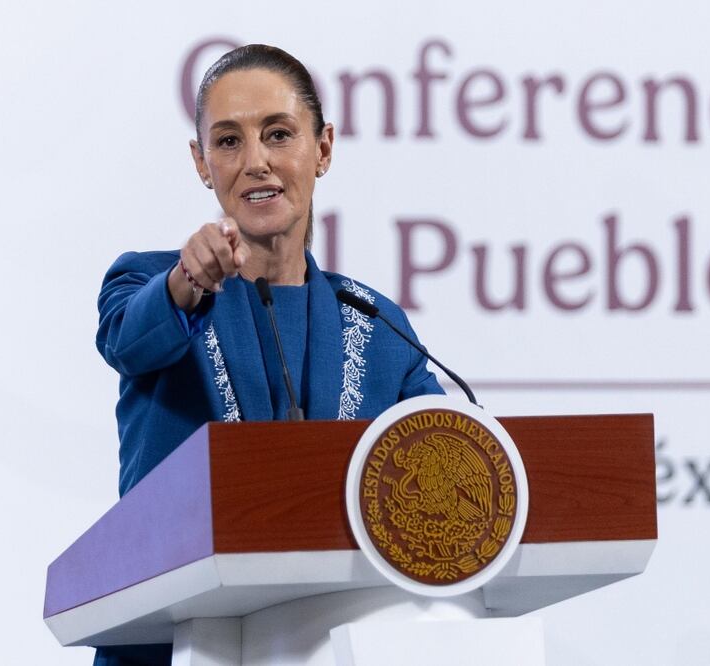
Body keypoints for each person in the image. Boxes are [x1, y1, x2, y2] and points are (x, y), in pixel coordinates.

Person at [93, 44, 444, 666]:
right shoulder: (149, 284)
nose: (256, 162)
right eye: (228, 142)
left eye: (278, 134)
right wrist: (186, 281)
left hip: (332, 642)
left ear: (324, 148)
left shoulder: (379, 322)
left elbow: (444, 462)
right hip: (169, 646)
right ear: (202, 163)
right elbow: (127, 340)